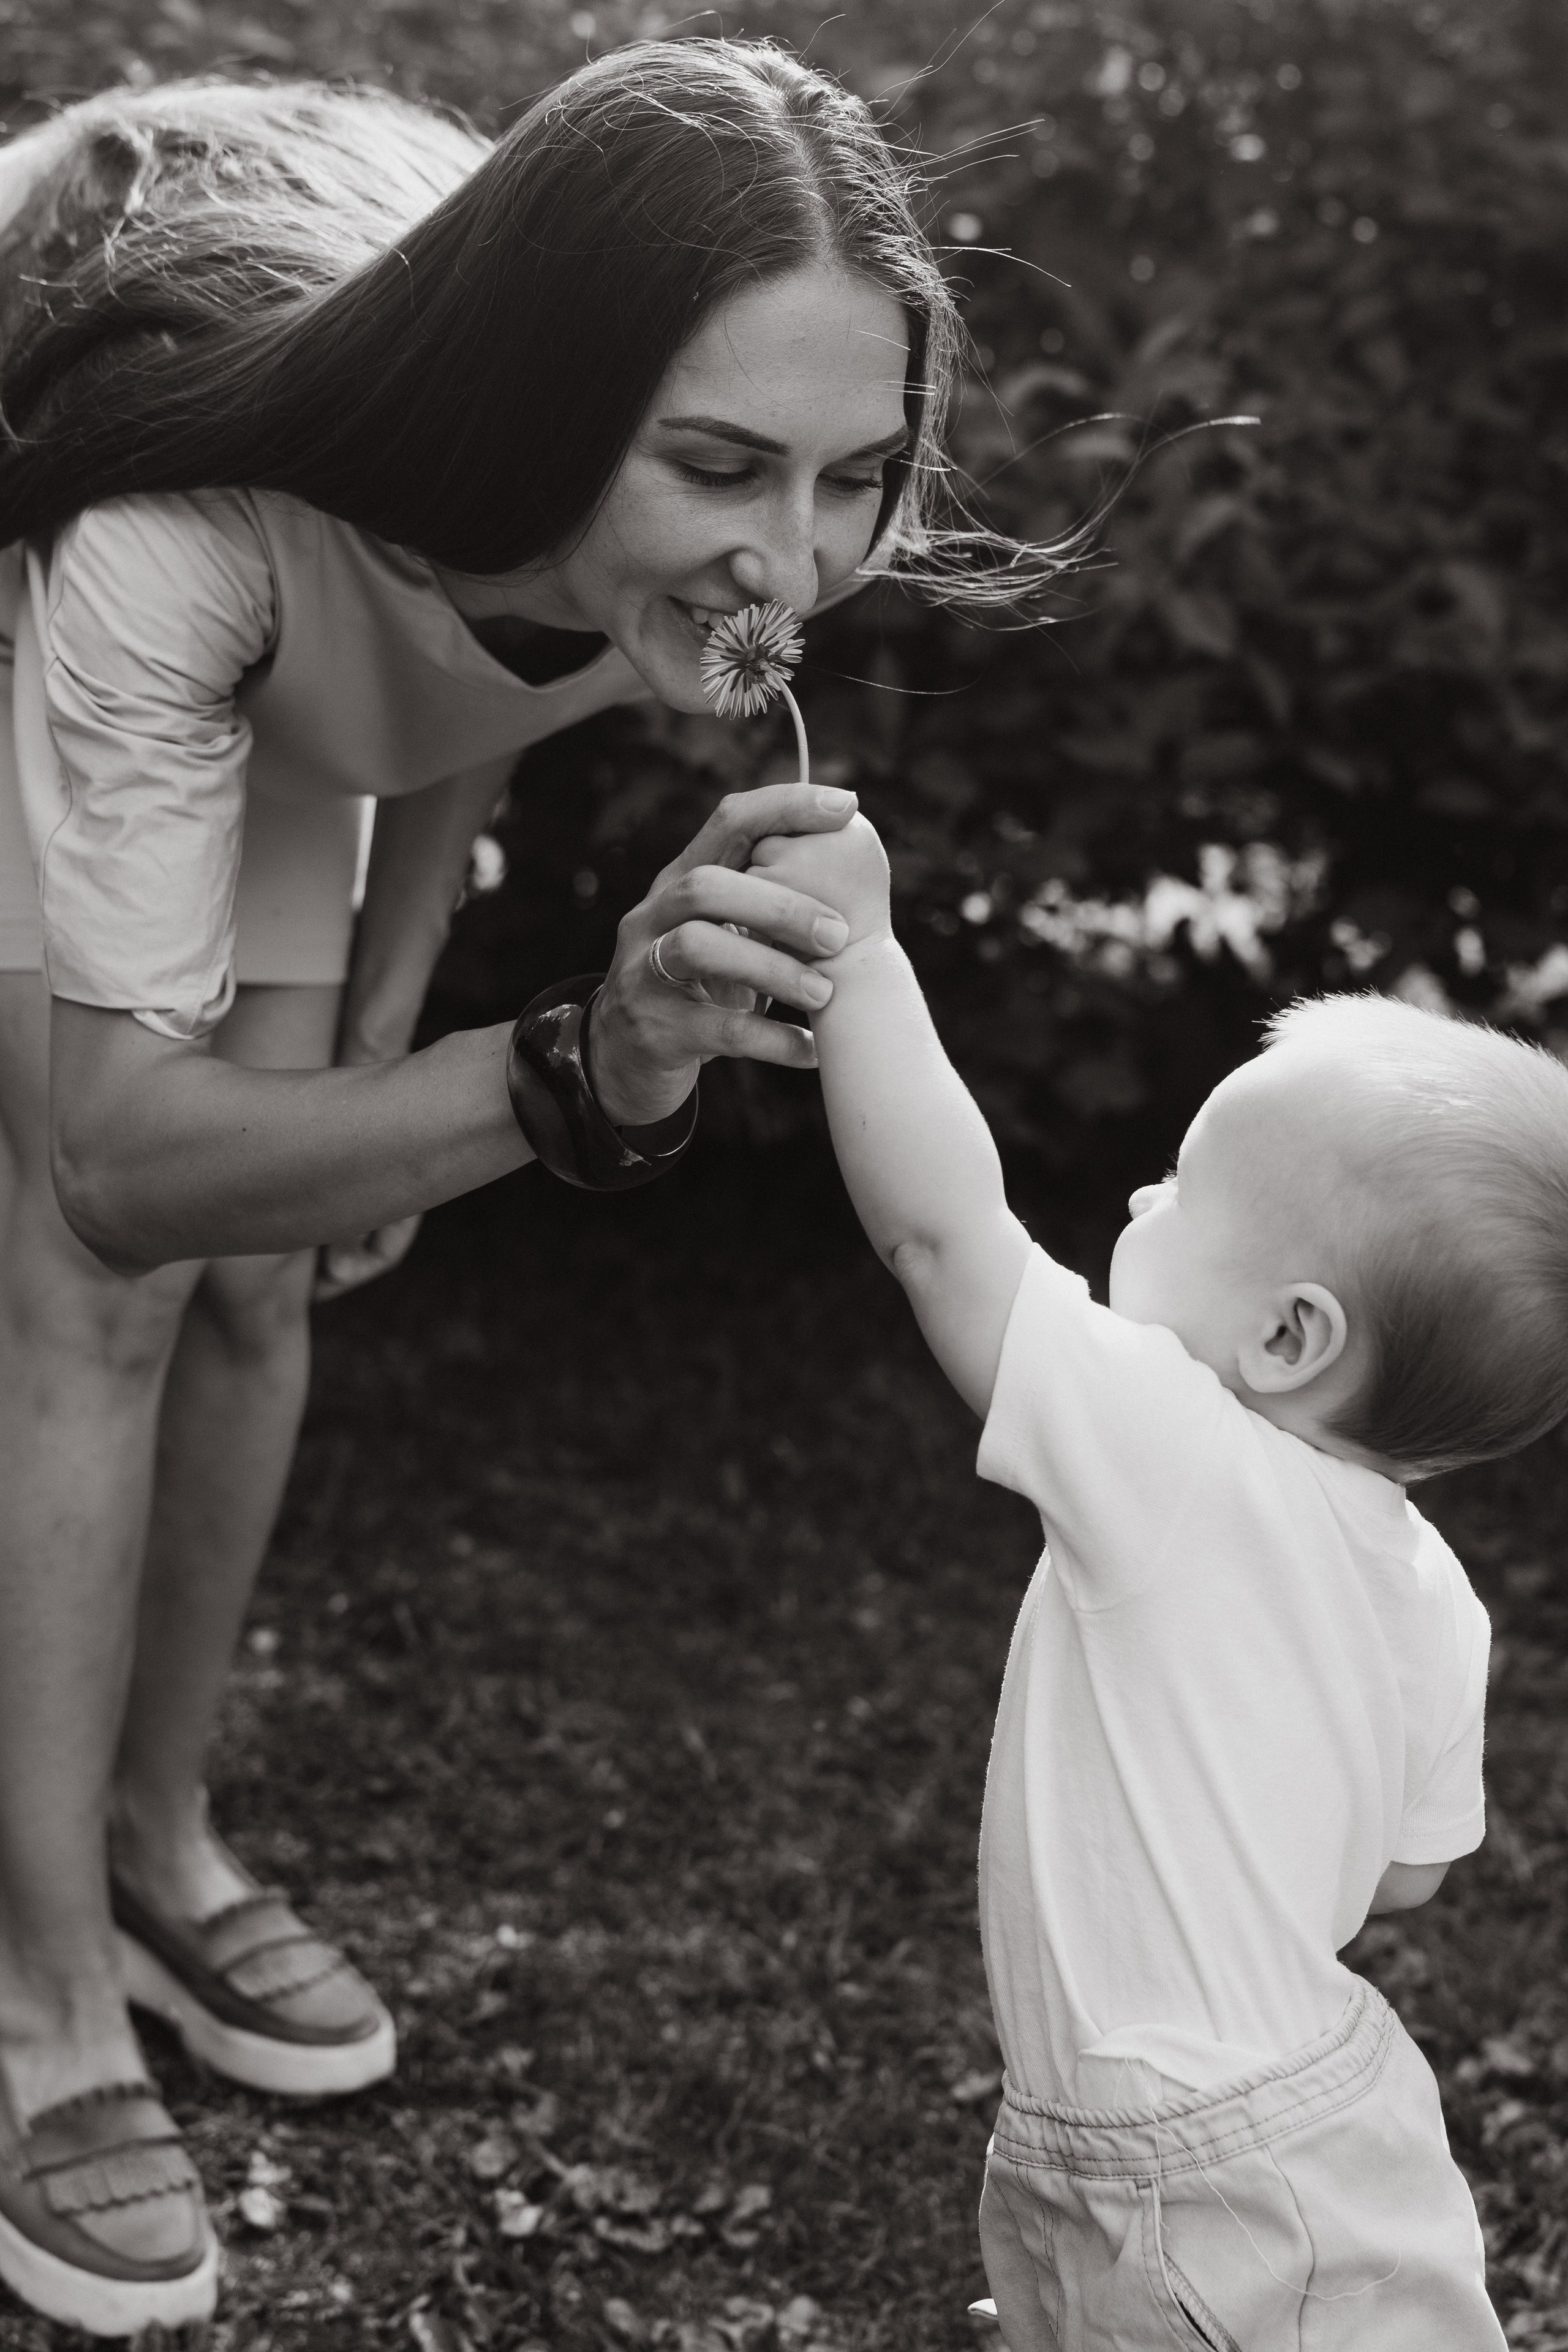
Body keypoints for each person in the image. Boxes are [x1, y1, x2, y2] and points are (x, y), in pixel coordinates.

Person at [0, 47, 1070, 2337]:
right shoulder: (175, 537)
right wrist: (568, 1066)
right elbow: (114, 1167)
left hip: (317, 656)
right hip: (99, 570)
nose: (794, 563)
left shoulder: (672, 574)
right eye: (719, 472)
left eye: (856, 478)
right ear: (542, 409)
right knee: (94, 1291)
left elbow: (466, 702)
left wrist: (388, 1047)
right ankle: (42, 1993)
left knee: (268, 1267)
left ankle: (160, 1842)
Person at [750, 812, 1546, 2348]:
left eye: (1179, 1189)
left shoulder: (1177, 1451)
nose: (1133, 1203)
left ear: (1288, 1341)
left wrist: (864, 957)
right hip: (1307, 2112)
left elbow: (941, 1236)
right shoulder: (1439, 1599)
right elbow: (1407, 1876)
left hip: (1177, 2158)